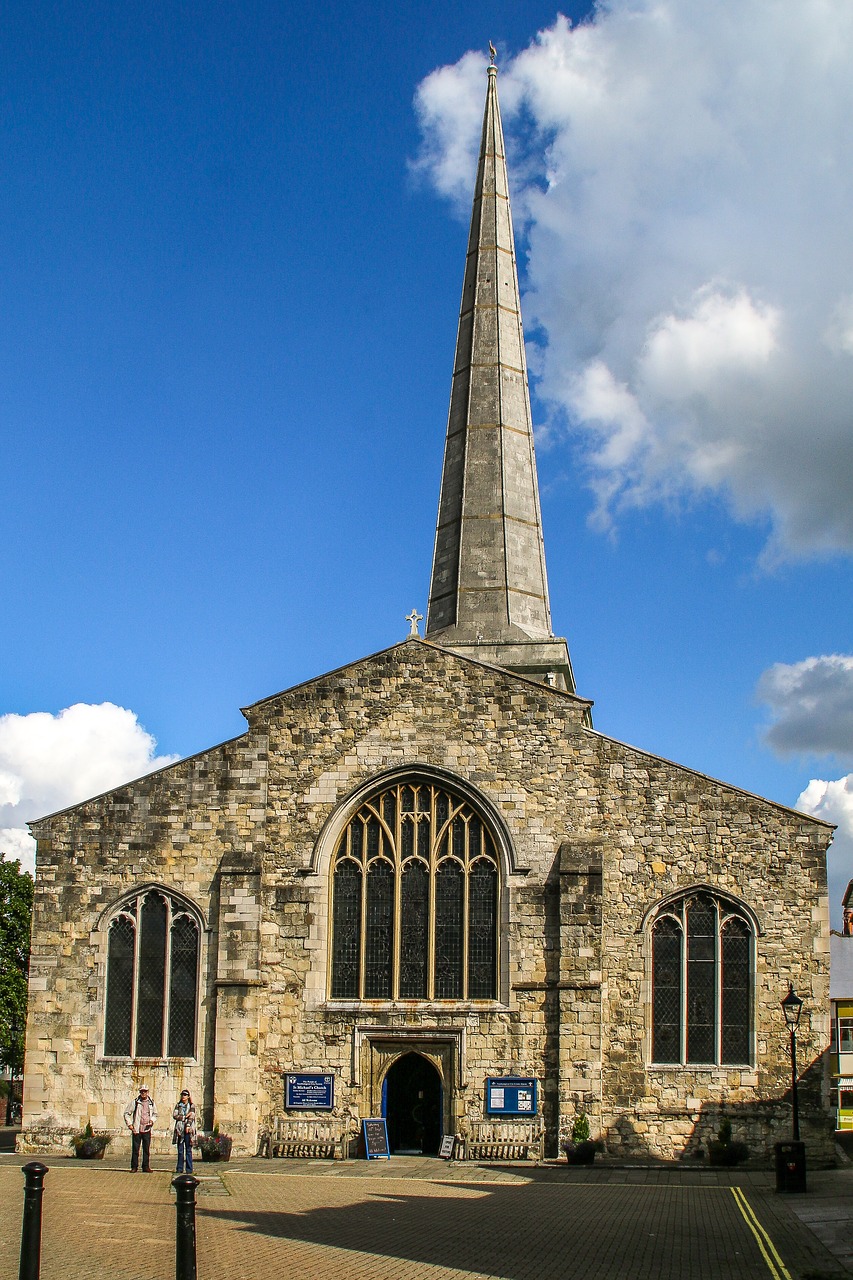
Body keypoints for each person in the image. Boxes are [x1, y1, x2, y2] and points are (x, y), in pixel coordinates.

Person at [124, 1085, 157, 1172]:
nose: (143, 1093)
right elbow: (127, 1113)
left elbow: (155, 1114)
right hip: (137, 1129)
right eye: (142, 1091)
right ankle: (134, 1166)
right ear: (140, 1092)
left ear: (147, 1092)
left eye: (145, 1091)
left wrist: (152, 1121)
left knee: (146, 1149)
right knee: (135, 1149)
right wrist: (130, 1125)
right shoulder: (135, 1102)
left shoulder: (151, 1102)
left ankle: (145, 1166)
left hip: (147, 1129)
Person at [172, 1089, 197, 1173]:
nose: (183, 1096)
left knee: (188, 1150)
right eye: (182, 1095)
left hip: (188, 1130)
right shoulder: (178, 1105)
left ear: (188, 1096)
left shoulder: (191, 1105)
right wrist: (184, 1117)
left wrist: (188, 1125)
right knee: (180, 1150)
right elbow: (175, 1115)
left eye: (185, 1095)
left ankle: (189, 1169)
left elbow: (192, 1115)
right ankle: (179, 1168)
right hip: (180, 1129)